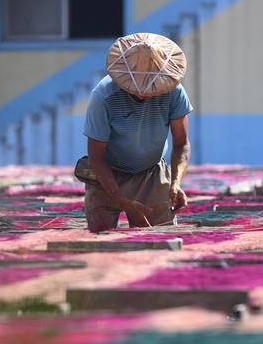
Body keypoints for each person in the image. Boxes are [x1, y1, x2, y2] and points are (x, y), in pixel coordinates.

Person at [76, 33, 192, 232]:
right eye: (139, 87)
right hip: (107, 176)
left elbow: (181, 143)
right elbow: (97, 158)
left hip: (151, 173)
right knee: (101, 239)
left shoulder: (174, 91)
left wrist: (175, 183)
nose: (145, 92)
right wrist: (124, 202)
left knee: (159, 239)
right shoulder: (104, 97)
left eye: (152, 85)